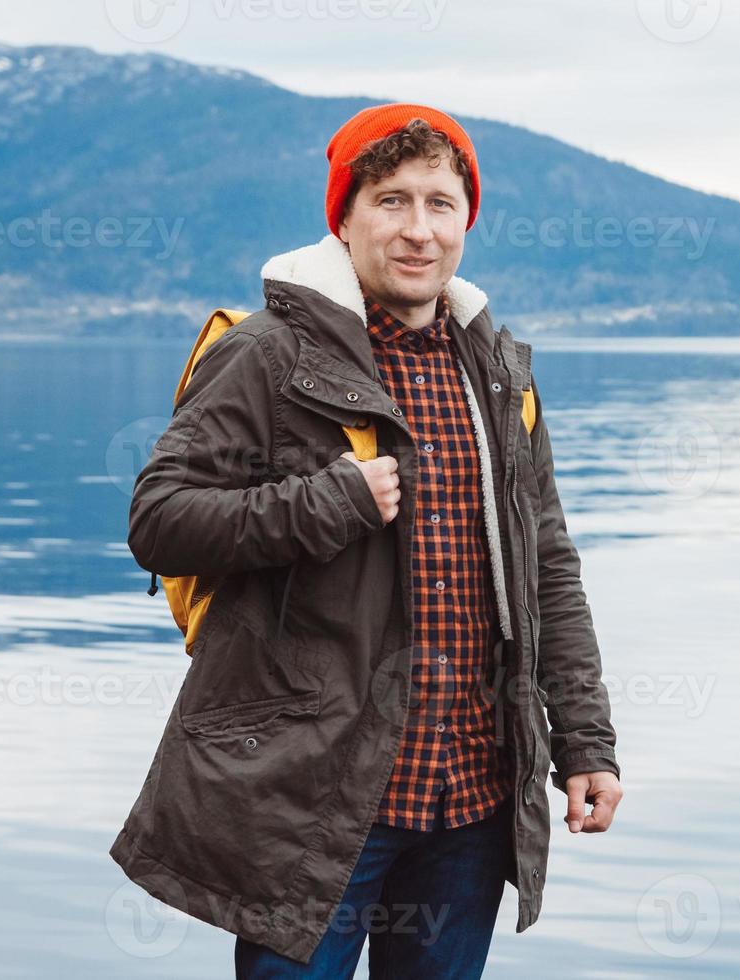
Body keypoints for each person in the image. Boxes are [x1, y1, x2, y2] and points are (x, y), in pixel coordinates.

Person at [110, 102, 623, 979]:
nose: (417, 229)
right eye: (390, 201)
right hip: (317, 797)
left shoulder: (499, 372)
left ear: (467, 221)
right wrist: (325, 503)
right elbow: (159, 519)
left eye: (439, 203)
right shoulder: (267, 356)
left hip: (471, 800)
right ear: (343, 219)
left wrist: (584, 742)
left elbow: (549, 569)